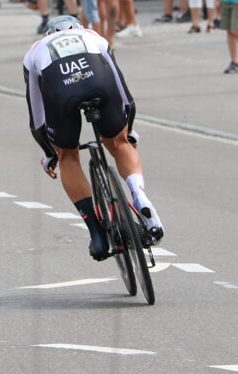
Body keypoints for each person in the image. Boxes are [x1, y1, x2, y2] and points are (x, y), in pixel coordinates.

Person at [22, 15, 165, 260]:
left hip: (61, 90)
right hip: (99, 82)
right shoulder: (93, 36)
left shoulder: (34, 51)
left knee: (67, 156)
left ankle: (97, 234)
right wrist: (127, 130)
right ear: (76, 28)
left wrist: (49, 152)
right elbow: (123, 92)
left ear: (47, 34)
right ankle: (139, 195)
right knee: (119, 143)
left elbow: (36, 114)